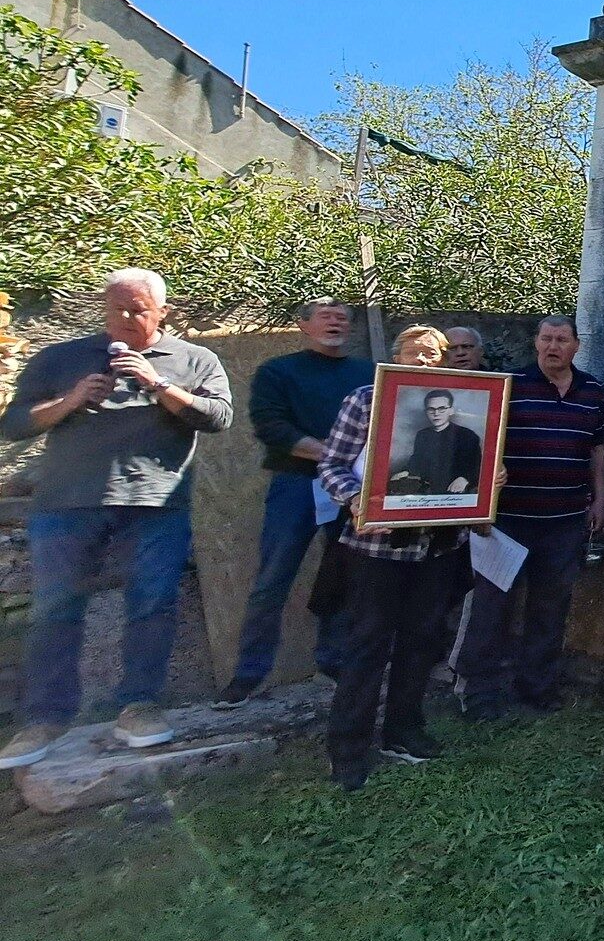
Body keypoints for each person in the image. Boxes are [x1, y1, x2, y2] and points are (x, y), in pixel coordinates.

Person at [0, 269, 234, 769]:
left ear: (162, 312)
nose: (125, 318)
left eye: (138, 310)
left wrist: (158, 384)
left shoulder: (194, 359)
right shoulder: (60, 358)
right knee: (55, 610)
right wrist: (70, 401)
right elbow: (14, 425)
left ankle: (139, 706)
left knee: (152, 604)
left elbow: (218, 418)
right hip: (66, 504)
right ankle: (43, 719)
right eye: (116, 309)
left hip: (155, 503)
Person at [317, 324, 468, 791]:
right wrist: (355, 500)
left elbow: (472, 467)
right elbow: (331, 464)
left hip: (438, 546)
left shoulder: (465, 406)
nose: (422, 360)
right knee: (367, 646)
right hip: (376, 548)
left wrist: (489, 480)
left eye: (432, 354)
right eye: (413, 352)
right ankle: (348, 749)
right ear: (394, 356)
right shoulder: (366, 400)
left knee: (421, 643)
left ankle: (404, 732)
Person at [216, 298, 373, 706]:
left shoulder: (368, 373)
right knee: (273, 577)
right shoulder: (278, 371)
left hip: (353, 488)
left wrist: (348, 466)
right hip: (296, 484)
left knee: (343, 576)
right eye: (326, 316)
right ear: (303, 325)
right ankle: (250, 673)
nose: (335, 322)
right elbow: (271, 426)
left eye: (342, 318)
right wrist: (334, 455)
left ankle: (333, 661)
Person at [451, 316, 604, 720]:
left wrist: (599, 499)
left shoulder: (592, 390)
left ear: (577, 345)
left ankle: (536, 688)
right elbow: (482, 440)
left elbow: (597, 448)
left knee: (550, 608)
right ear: (536, 343)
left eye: (561, 339)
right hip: (509, 520)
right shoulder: (511, 386)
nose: (553, 346)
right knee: (491, 607)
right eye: (546, 338)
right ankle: (479, 693)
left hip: (565, 520)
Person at [394, 388, 482, 496]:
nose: (436, 413)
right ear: (426, 412)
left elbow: (477, 465)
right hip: (427, 491)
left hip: (457, 493)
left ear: (451, 411)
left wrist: (465, 478)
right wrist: (406, 471)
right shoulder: (422, 435)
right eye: (431, 409)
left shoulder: (467, 435)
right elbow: (417, 460)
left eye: (442, 409)